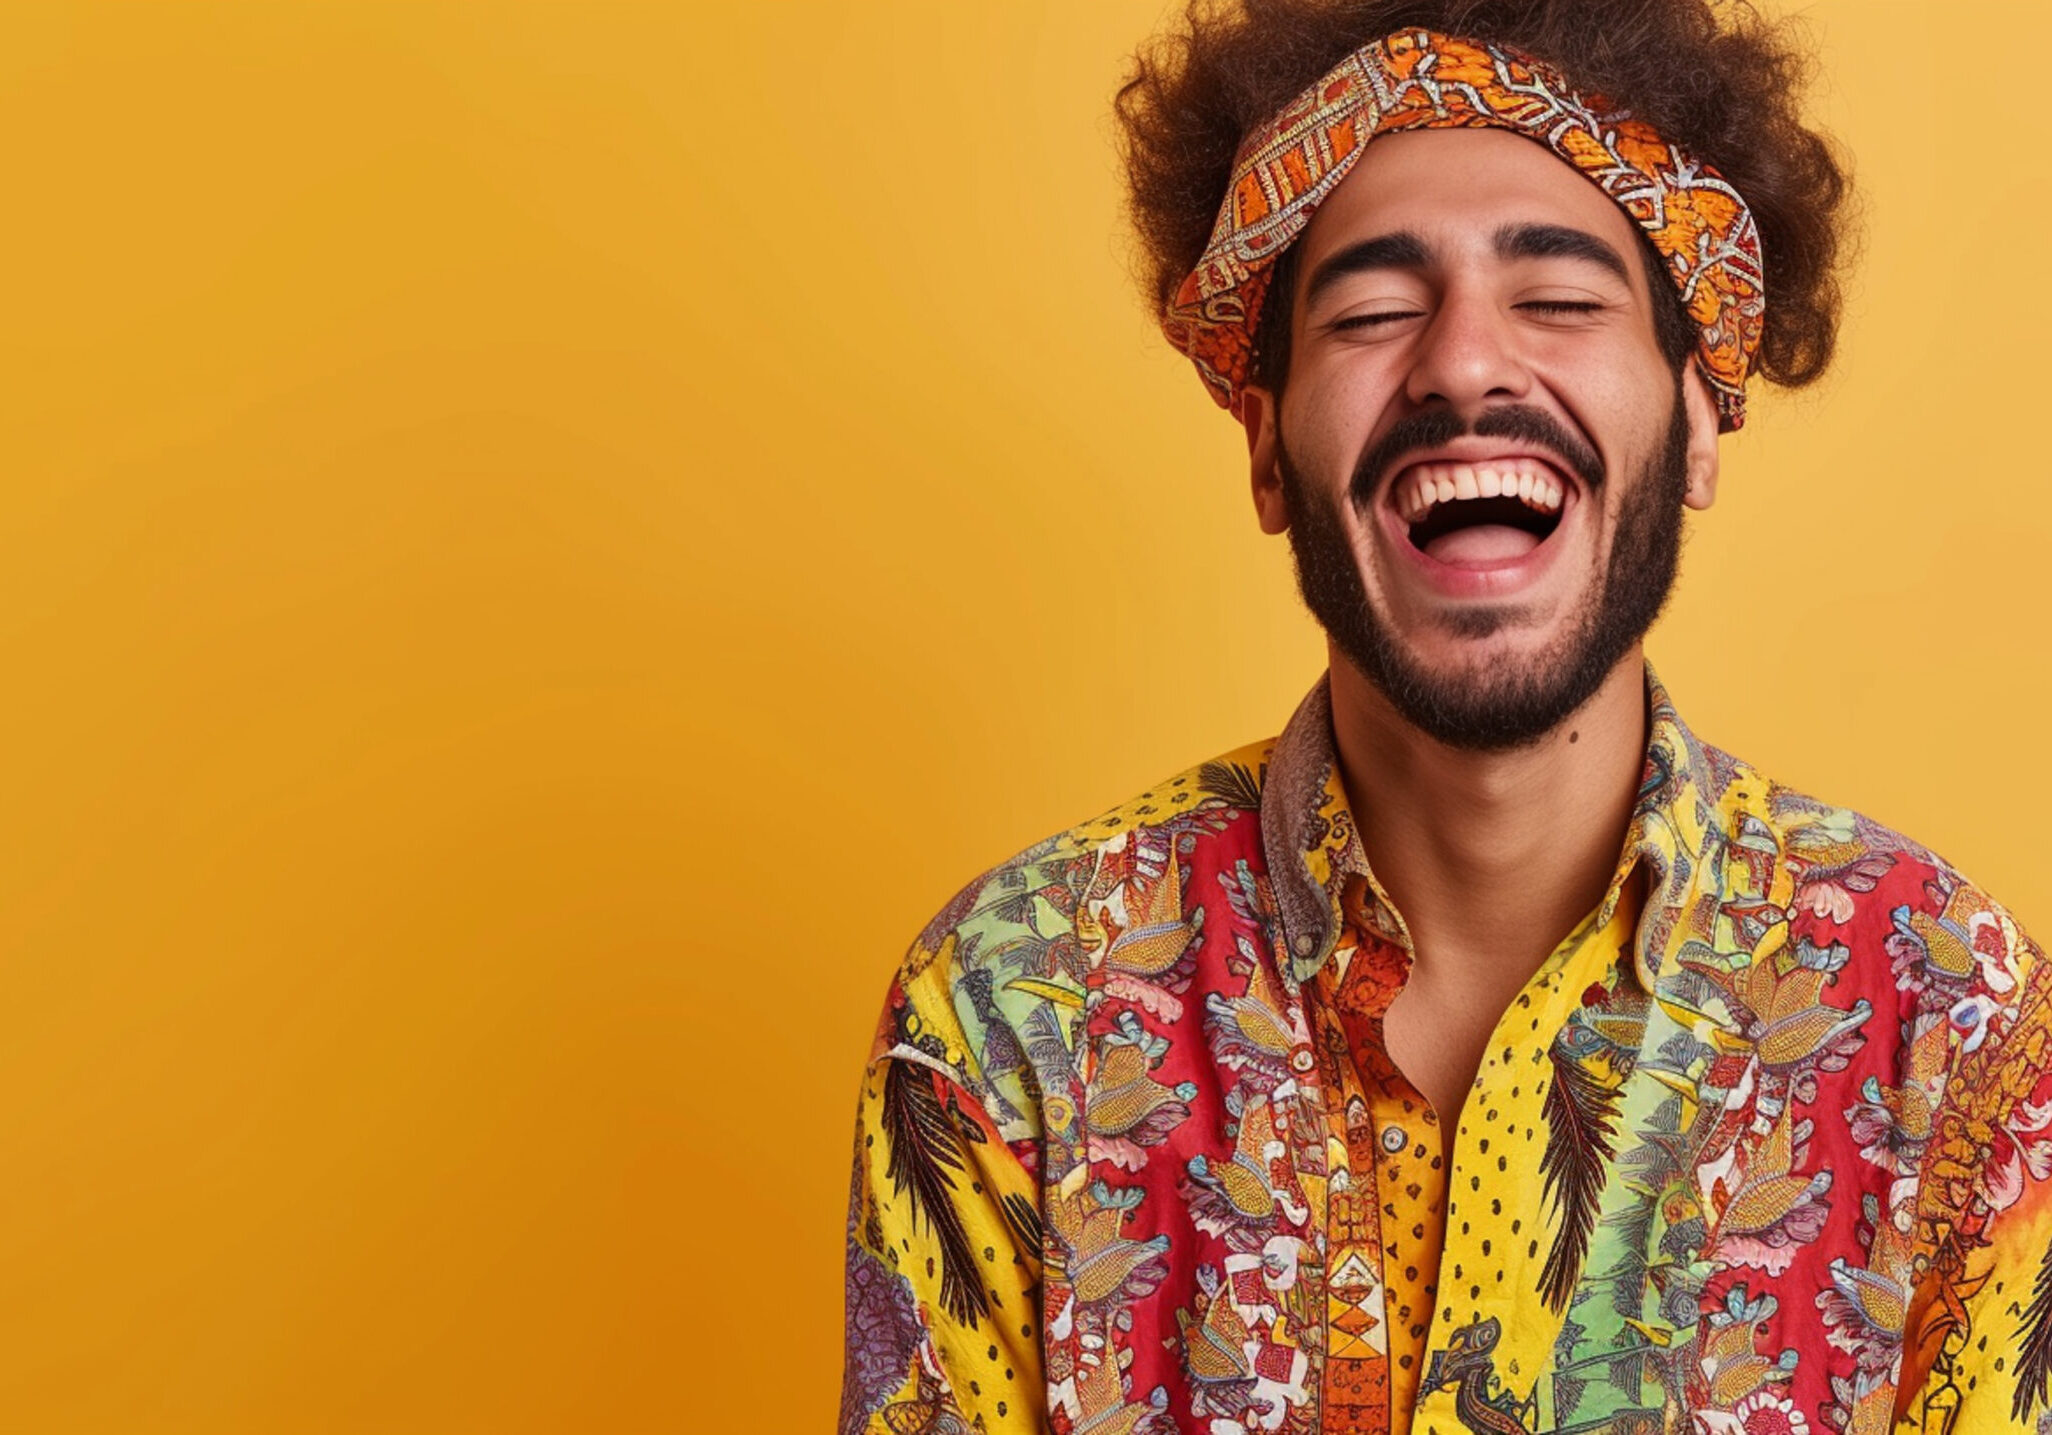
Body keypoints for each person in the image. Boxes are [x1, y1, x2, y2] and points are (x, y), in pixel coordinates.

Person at [838, 3, 2049, 1432]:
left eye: (1561, 298)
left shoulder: (1949, 1025)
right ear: (1269, 449)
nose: (1465, 364)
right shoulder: (1009, 1015)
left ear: (1700, 417)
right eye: (1370, 310)